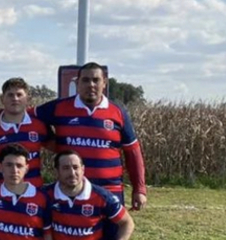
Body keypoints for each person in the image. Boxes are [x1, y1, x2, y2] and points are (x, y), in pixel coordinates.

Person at [32, 62, 147, 212]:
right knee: (72, 234)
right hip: (71, 188)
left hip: (110, 190)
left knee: (114, 235)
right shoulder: (59, 107)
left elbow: (133, 152)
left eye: (96, 80)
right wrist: (50, 141)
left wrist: (139, 189)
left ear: (104, 83)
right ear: (77, 83)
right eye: (85, 80)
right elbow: (28, 117)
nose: (91, 85)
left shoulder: (118, 112)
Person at [0, 78, 50, 188]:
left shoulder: (39, 125)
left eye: (19, 95)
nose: (15, 98)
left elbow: (59, 148)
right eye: (10, 95)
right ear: (2, 99)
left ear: (28, 98)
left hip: (34, 194)